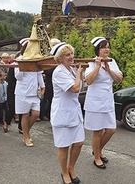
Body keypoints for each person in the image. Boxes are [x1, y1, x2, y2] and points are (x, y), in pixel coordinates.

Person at [84, 36, 123, 169]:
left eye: (108, 47)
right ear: (97, 49)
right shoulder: (91, 63)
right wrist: (97, 66)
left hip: (107, 99)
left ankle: (97, 149)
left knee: (111, 129)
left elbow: (119, 79)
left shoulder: (112, 62)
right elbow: (88, 81)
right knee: (97, 131)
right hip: (95, 100)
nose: (107, 49)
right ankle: (97, 157)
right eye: (103, 47)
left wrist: (109, 70)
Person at [50, 42, 84, 184]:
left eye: (71, 53)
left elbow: (81, 87)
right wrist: (79, 74)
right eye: (67, 55)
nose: (71, 57)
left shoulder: (71, 70)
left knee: (79, 143)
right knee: (64, 145)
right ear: (60, 58)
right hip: (62, 112)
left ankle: (71, 167)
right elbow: (75, 88)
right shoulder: (58, 72)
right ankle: (64, 172)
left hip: (74, 111)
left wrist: (79, 74)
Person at [14, 43, 45, 147]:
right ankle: (26, 137)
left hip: (34, 92)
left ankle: (25, 131)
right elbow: (17, 77)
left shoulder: (36, 59)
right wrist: (23, 65)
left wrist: (42, 85)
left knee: (36, 114)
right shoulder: (19, 59)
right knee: (25, 115)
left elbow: (39, 74)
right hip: (23, 92)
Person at [41, 38, 61, 121]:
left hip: (57, 82)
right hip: (49, 82)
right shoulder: (48, 57)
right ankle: (43, 114)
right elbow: (46, 70)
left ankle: (50, 114)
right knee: (47, 99)